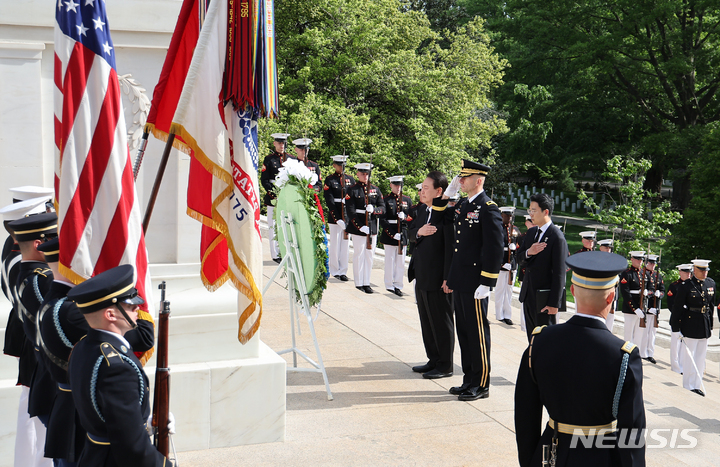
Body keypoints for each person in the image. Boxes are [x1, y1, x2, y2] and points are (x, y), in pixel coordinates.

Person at [515, 251, 645, 467]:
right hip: (600, 456)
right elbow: (631, 434)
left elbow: (525, 416)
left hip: (550, 455)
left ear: (573, 291)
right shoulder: (623, 354)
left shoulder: (539, 341)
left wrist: (531, 461)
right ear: (612, 297)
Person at [67, 264, 171, 466]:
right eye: (131, 306)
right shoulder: (116, 366)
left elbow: (107, 415)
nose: (138, 309)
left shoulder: (82, 347)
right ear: (110, 315)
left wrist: (145, 422)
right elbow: (131, 445)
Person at [444, 160, 504, 401]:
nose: (461, 181)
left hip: (477, 282)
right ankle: (468, 379)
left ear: (478, 180)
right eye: (460, 177)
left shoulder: (488, 208)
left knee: (478, 333)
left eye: (465, 178)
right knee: (465, 332)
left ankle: (481, 384)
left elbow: (494, 248)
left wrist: (487, 282)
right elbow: (440, 214)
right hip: (461, 279)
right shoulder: (463, 204)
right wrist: (449, 193)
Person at [1, 193, 53, 467]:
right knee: (36, 406)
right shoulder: (18, 258)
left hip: (32, 330)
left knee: (33, 404)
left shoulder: (14, 248)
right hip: (34, 333)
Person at [36, 238, 86, 466]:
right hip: (78, 414)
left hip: (66, 407)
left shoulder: (52, 300)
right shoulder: (71, 311)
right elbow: (140, 337)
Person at [407, 171, 454, 379]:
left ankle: (445, 364)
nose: (422, 191)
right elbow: (409, 232)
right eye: (421, 187)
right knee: (426, 319)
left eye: (426, 187)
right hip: (422, 274)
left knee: (441, 321)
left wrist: (447, 278)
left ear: (439, 191)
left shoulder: (446, 215)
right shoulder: (421, 211)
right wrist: (419, 232)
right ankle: (433, 359)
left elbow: (450, 248)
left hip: (438, 277)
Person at [517, 193, 568, 340]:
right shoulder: (532, 232)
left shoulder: (556, 237)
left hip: (544, 299)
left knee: (545, 340)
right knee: (531, 338)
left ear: (546, 212)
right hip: (529, 295)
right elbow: (520, 258)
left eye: (534, 210)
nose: (531, 214)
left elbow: (560, 274)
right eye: (530, 210)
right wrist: (529, 252)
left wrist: (554, 303)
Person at [671, 259, 715, 396]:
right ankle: (688, 385)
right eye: (702, 270)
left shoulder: (710, 283)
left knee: (701, 357)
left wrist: (710, 325)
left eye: (706, 270)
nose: (704, 273)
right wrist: (675, 327)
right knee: (689, 357)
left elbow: (711, 306)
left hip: (704, 324)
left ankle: (696, 384)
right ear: (695, 270)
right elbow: (677, 308)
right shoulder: (686, 286)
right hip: (690, 323)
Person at [344, 163, 385, 293]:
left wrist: (375, 210)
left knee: (369, 255)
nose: (365, 176)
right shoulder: (352, 189)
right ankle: (359, 282)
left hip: (372, 226)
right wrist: (360, 227)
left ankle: (366, 282)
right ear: (357, 174)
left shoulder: (375, 190)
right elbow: (350, 211)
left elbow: (383, 208)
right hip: (358, 226)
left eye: (367, 173)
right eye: (362, 173)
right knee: (359, 254)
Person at [260, 133, 292, 263]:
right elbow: (265, 180)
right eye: (279, 143)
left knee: (287, 225)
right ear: (274, 144)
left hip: (287, 197)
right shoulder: (269, 160)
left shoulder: (291, 159)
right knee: (273, 225)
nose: (281, 145)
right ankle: (275, 254)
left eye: (283, 143)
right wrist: (274, 194)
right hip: (273, 198)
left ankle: (286, 251)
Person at [323, 155, 355, 282]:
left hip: (347, 216)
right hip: (335, 216)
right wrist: (337, 218)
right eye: (339, 165)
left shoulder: (350, 179)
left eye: (343, 165)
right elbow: (329, 201)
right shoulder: (330, 180)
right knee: (335, 244)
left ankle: (343, 271)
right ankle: (335, 270)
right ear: (334, 165)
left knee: (345, 245)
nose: (341, 167)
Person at [380, 176, 412, 296]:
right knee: (390, 261)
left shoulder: (407, 200)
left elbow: (411, 218)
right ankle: (389, 284)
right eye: (396, 185)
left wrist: (405, 218)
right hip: (390, 234)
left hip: (402, 233)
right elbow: (383, 219)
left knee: (400, 262)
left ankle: (398, 285)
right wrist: (392, 234)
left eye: (400, 185)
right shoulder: (386, 200)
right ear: (391, 185)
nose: (398, 187)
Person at [495, 206, 521, 325]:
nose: (509, 218)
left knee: (509, 291)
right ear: (502, 216)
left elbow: (520, 245)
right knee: (500, 290)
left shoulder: (514, 229)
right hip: (502, 264)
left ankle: (507, 314)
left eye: (510, 216)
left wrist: (515, 248)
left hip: (512, 264)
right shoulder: (498, 228)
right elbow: (495, 248)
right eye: (507, 216)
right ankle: (499, 314)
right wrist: (501, 263)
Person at [637, 254, 664, 364]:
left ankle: (650, 353)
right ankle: (643, 353)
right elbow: (644, 292)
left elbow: (662, 290)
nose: (653, 265)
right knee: (644, 333)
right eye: (651, 263)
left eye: (654, 263)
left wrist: (660, 294)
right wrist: (647, 309)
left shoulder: (658, 276)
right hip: (647, 308)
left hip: (655, 309)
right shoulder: (643, 274)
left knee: (652, 334)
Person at [666, 263, 692, 375]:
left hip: (687, 318)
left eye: (689, 272)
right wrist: (679, 313)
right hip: (677, 318)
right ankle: (675, 366)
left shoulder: (691, 286)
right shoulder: (674, 286)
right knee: (675, 343)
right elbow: (671, 304)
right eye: (686, 272)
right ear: (680, 272)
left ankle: (682, 365)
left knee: (684, 344)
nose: (688, 274)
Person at [619, 251, 646, 346]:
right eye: (638, 259)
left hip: (642, 308)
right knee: (628, 335)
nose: (640, 262)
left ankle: (635, 355)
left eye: (641, 260)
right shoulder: (626, 273)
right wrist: (635, 308)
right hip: (630, 308)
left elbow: (651, 288)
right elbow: (625, 293)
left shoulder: (644, 273)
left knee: (639, 335)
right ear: (632, 259)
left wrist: (648, 292)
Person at [597, 238, 618, 331]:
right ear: (600, 248)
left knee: (610, 319)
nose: (608, 250)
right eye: (606, 247)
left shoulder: (614, 261)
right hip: (600, 292)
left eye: (609, 248)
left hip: (612, 292)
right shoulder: (596, 260)